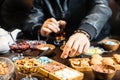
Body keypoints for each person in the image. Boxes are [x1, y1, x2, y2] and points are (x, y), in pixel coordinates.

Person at [1, 0, 112, 58]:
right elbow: (31, 20)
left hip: (95, 42)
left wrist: (84, 32)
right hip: (60, 47)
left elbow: (101, 7)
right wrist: (40, 29)